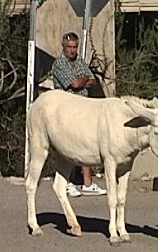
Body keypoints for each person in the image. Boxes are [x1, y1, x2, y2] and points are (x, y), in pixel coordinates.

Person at [52, 31, 107, 197]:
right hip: (66, 110)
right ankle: (66, 182)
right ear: (63, 47)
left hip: (83, 108)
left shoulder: (79, 61)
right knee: (67, 145)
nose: (72, 50)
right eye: (69, 47)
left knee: (86, 143)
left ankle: (87, 183)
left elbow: (92, 81)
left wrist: (82, 81)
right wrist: (82, 81)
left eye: (75, 47)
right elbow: (75, 84)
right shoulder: (60, 63)